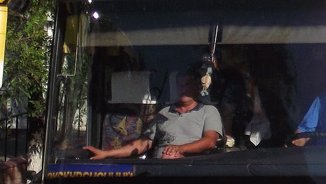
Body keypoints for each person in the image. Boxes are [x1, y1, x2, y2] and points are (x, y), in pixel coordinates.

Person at [85, 67, 223, 160]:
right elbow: (142, 144)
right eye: (179, 85)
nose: (182, 89)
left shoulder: (208, 111)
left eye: (187, 84)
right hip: (157, 168)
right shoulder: (164, 112)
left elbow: (210, 141)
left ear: (198, 87)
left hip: (189, 168)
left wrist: (180, 149)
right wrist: (106, 154)